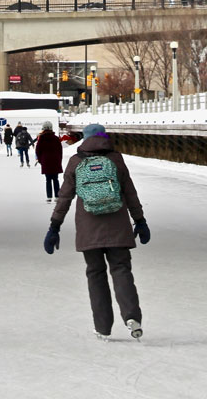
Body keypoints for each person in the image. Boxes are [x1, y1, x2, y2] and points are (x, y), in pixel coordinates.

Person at [44, 124, 148, 341]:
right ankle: (132, 317)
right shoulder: (116, 160)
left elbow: (64, 198)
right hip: (118, 227)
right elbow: (130, 194)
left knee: (95, 274)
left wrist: (54, 226)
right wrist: (140, 220)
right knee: (121, 270)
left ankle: (102, 327)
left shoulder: (76, 162)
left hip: (88, 228)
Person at [34, 121, 63, 203]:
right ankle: (57, 196)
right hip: (55, 161)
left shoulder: (41, 139)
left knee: (48, 180)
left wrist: (41, 160)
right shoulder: (56, 139)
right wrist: (59, 160)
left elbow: (38, 151)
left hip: (46, 161)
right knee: (56, 179)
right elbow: (60, 151)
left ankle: (49, 196)